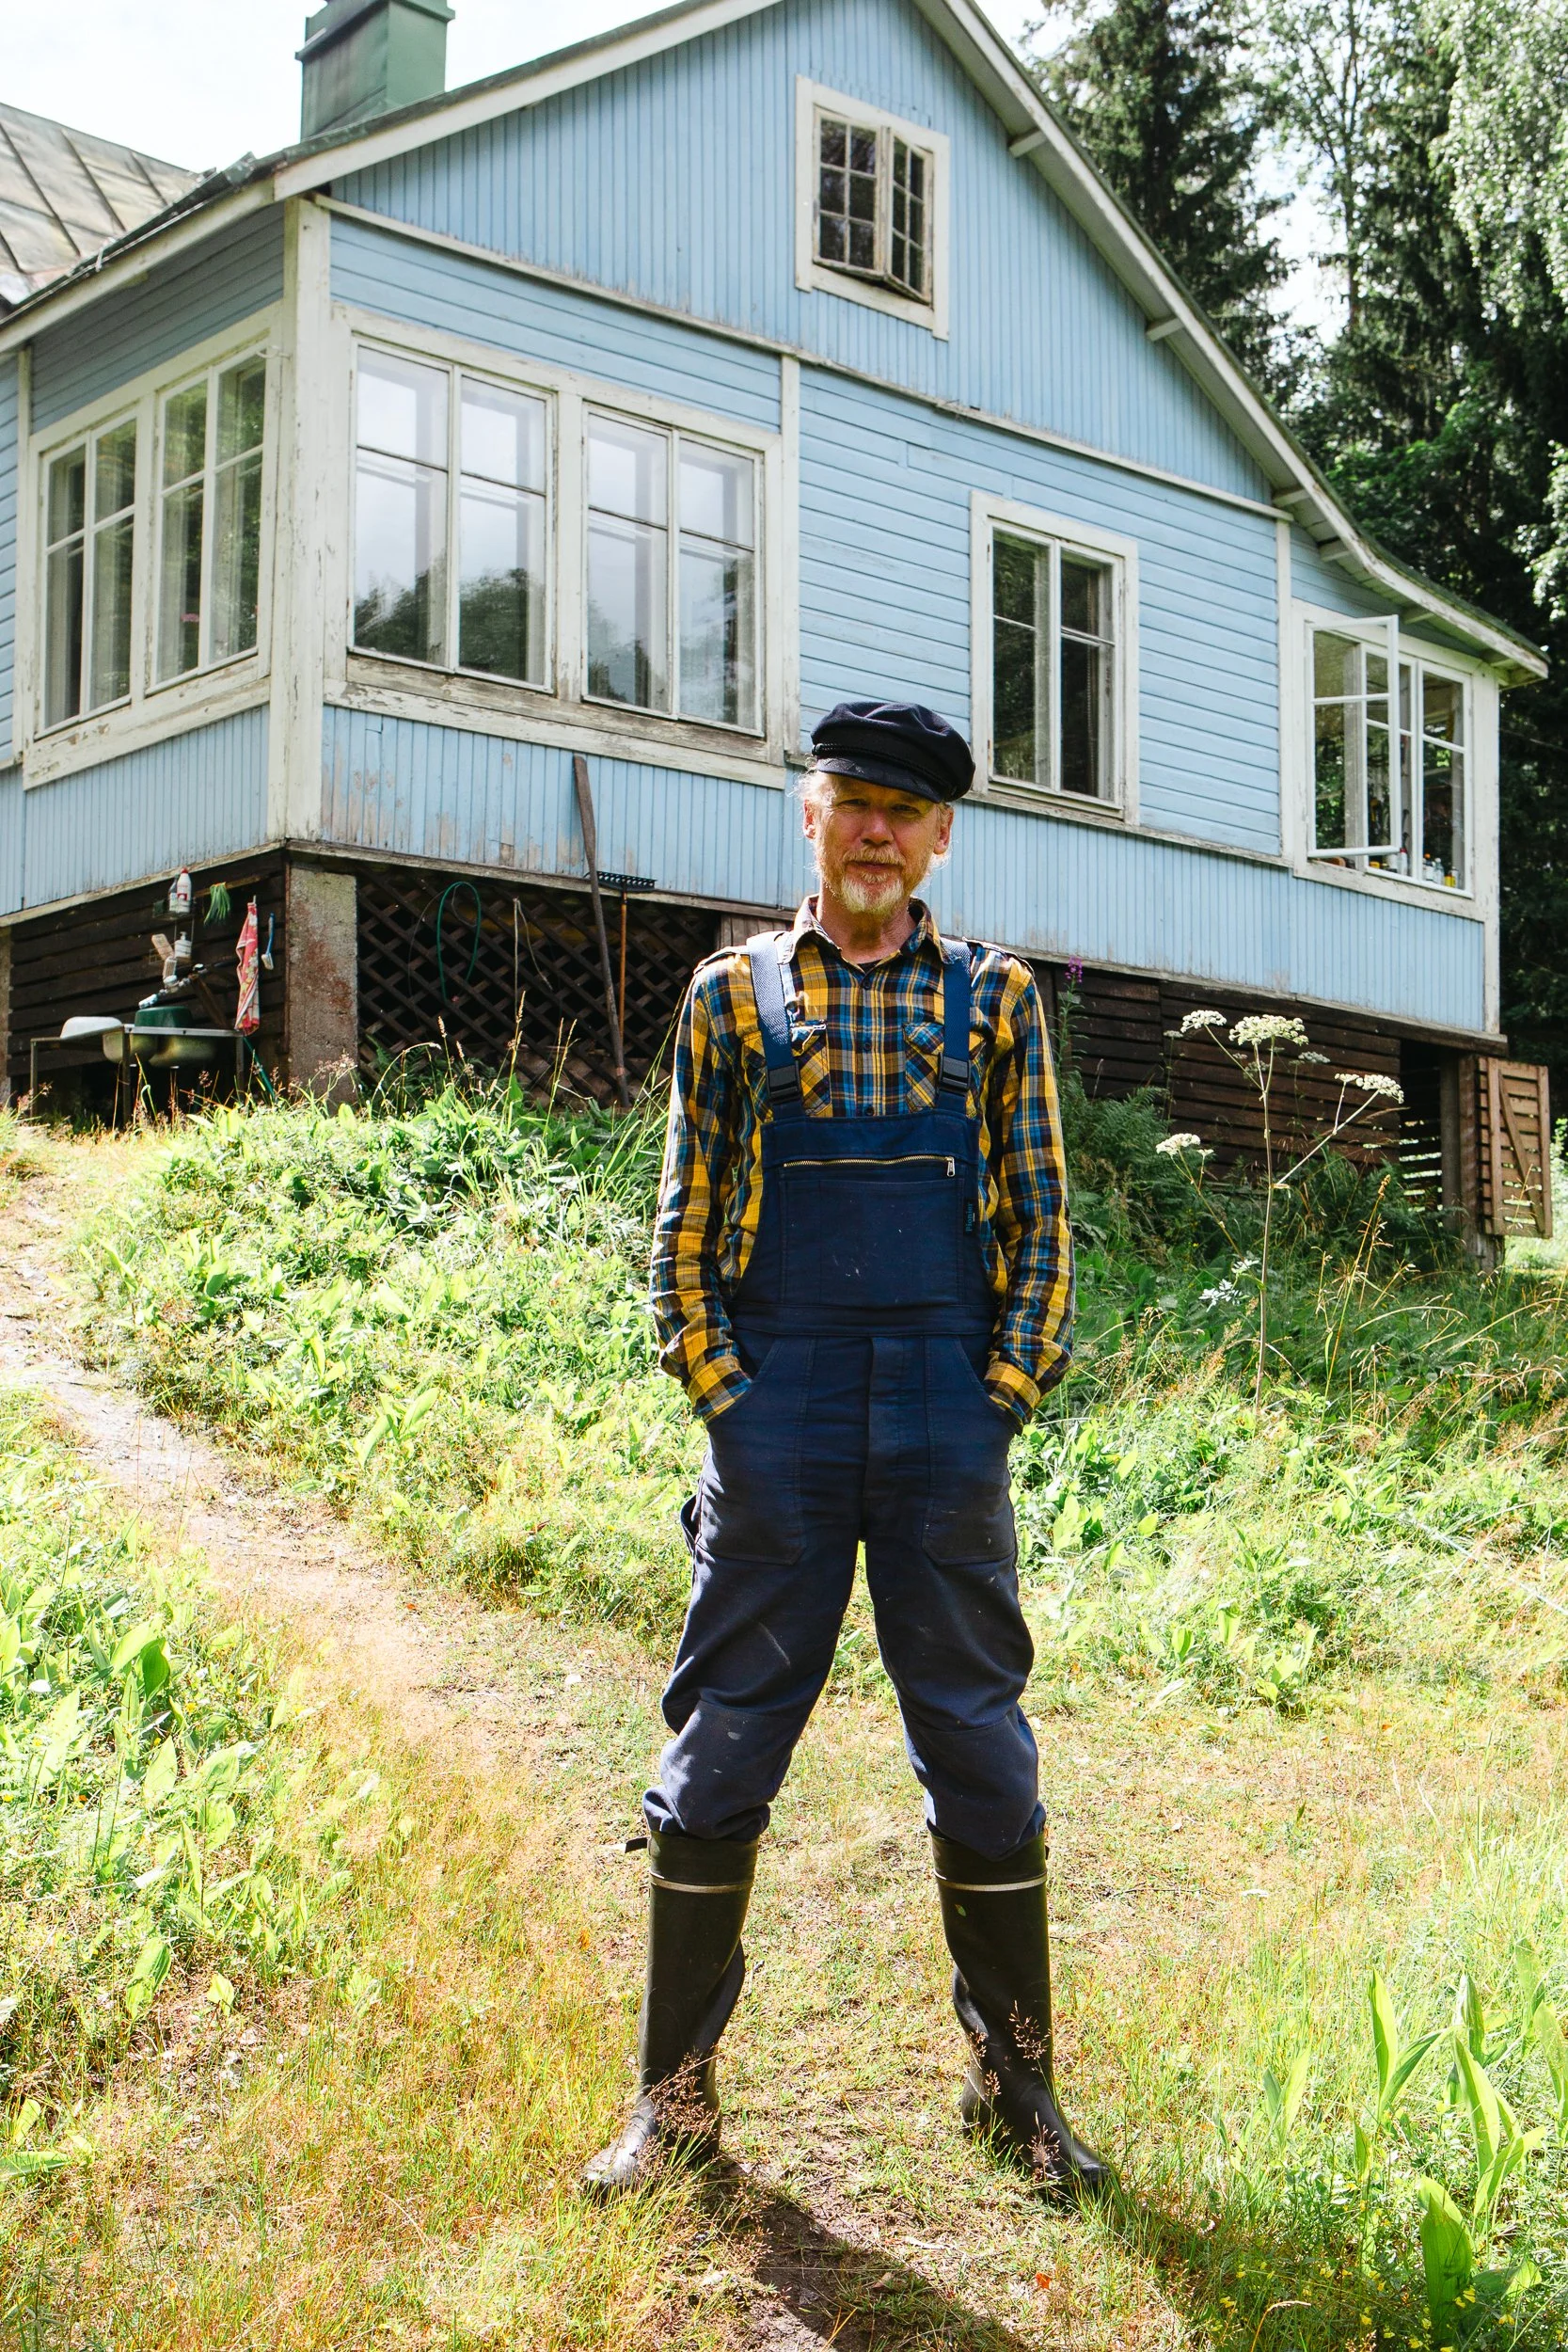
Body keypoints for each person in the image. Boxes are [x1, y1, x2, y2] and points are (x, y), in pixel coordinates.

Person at [583, 698, 1110, 2202]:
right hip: (782, 1418)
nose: (875, 828)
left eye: (905, 808)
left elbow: (1040, 1226)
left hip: (946, 1412)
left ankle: (1015, 2094)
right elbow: (684, 1219)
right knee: (720, 1748)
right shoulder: (729, 997)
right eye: (850, 800)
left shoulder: (995, 1002)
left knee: (981, 1753)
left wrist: (1000, 1393)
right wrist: (723, 1396)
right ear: (806, 817)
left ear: (940, 835)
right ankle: (670, 2109)